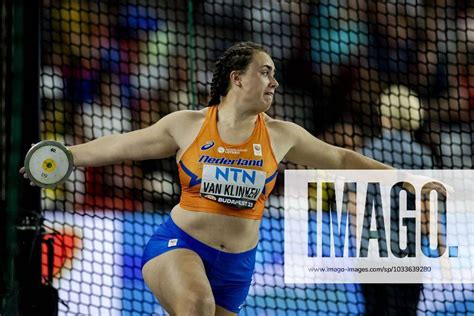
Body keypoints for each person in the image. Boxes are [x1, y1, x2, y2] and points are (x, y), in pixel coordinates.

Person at [21, 42, 395, 315]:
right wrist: (65, 157)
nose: (274, 82)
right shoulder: (187, 125)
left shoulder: (283, 135)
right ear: (237, 78)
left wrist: (404, 178)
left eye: (275, 75)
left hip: (237, 267)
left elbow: (341, 157)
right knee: (196, 304)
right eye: (265, 72)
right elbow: (120, 145)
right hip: (179, 244)